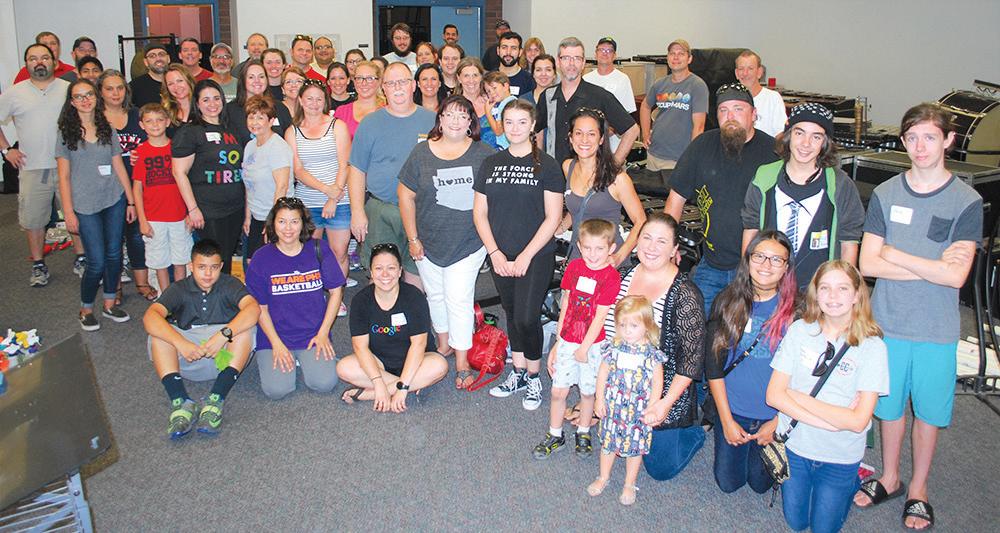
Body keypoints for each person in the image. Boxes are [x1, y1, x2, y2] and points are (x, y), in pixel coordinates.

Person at [855, 103, 982, 531]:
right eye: (912, 138)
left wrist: (895, 253)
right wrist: (933, 266)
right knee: (889, 409)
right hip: (887, 324)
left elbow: (956, 276)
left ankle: (919, 488)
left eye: (929, 137)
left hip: (936, 330)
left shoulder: (966, 201)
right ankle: (890, 477)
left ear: (948, 140)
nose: (920, 146)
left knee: (928, 413)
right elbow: (868, 265)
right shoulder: (886, 193)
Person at [766, 261, 889, 533]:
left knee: (824, 528)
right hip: (796, 446)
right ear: (816, 293)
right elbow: (774, 396)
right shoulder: (800, 330)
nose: (833, 296)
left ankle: (852, 482)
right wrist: (834, 421)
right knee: (796, 522)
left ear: (857, 294)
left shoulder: (873, 347)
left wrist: (797, 397)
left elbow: (858, 422)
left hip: (839, 455)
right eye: (825, 288)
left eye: (843, 288)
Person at [397, 94, 495, 389]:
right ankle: (444, 344)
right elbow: (405, 195)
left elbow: (497, 197)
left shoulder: (484, 154)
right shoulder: (421, 153)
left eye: (462, 115)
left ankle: (462, 362)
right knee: (436, 295)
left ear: (470, 122)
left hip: (468, 243)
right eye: (449, 114)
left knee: (458, 299)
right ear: (440, 119)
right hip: (427, 242)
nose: (455, 121)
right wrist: (413, 238)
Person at [473, 99, 564, 410]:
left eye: (522, 122)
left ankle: (534, 377)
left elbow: (553, 217)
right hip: (500, 254)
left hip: (535, 254)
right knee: (512, 314)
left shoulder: (547, 165)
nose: (514, 128)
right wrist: (494, 252)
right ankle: (519, 372)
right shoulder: (490, 163)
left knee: (527, 317)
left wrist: (525, 255)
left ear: (533, 125)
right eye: (509, 122)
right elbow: (479, 213)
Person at [605, 213, 707, 481]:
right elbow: (604, 331)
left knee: (660, 469)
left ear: (674, 250)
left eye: (661, 241)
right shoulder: (621, 277)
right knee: (613, 443)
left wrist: (663, 404)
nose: (651, 247)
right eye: (646, 238)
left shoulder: (685, 294)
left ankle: (695, 432)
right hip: (621, 384)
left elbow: (691, 361)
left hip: (662, 390)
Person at [664, 82, 779, 314]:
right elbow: (675, 199)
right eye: (723, 110)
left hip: (759, 269)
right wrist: (668, 244)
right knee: (691, 322)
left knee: (751, 329)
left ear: (754, 114)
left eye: (738, 109)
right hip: (712, 264)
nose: (730, 116)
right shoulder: (702, 146)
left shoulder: (774, 153)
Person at [705, 230, 796, 495]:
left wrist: (779, 422)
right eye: (759, 256)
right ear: (748, 260)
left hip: (773, 414)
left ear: (786, 267)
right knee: (728, 483)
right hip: (733, 410)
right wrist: (726, 420)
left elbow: (805, 377)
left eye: (776, 259)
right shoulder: (727, 300)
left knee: (760, 484)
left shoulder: (798, 312)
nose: (766, 265)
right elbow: (713, 367)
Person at [143, 239, 260, 438]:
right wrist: (181, 343)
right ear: (191, 266)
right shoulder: (179, 288)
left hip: (223, 359)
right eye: (201, 267)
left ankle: (216, 399)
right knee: (157, 336)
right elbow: (150, 316)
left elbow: (253, 309)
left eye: (213, 267)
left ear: (221, 266)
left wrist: (223, 335)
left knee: (247, 330)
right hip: (189, 356)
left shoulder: (230, 283)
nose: (208, 274)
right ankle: (180, 401)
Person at [742, 103, 865, 290]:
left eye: (816, 137)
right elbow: (751, 229)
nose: (806, 144)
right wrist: (747, 279)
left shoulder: (839, 185)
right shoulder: (764, 177)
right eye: (799, 133)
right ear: (789, 135)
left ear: (825, 142)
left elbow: (849, 241)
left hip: (817, 291)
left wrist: (844, 288)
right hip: (769, 288)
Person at [534, 219, 621, 459]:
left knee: (587, 392)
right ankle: (555, 434)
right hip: (569, 339)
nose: (593, 254)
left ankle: (583, 431)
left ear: (611, 248)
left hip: (593, 344)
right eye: (587, 248)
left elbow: (600, 317)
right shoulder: (574, 268)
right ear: (580, 247)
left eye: (600, 249)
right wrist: (558, 342)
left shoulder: (611, 277)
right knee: (558, 391)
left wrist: (584, 348)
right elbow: (567, 304)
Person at [56, 78, 138, 329]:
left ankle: (110, 304)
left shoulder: (106, 128)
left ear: (96, 97)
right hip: (84, 204)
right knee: (97, 261)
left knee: (114, 255)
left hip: (113, 199)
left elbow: (118, 166)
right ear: (72, 102)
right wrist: (68, 212)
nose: (85, 100)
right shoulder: (65, 133)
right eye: (78, 96)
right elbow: (63, 177)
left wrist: (131, 201)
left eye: (89, 95)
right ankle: (86, 308)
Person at [247, 197, 346, 399]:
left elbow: (336, 291)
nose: (288, 228)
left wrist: (323, 333)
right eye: (282, 221)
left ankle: (305, 359)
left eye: (294, 221)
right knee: (276, 390)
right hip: (275, 335)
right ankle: (288, 357)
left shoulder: (318, 249)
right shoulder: (261, 258)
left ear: (303, 224)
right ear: (273, 224)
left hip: (312, 333)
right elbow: (260, 307)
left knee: (324, 384)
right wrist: (276, 344)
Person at [347, 62, 435, 287]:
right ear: (383, 88)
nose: (397, 88)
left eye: (403, 82)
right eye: (391, 83)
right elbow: (356, 169)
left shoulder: (433, 121)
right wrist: (357, 211)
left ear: (413, 85)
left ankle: (413, 310)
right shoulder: (370, 123)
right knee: (381, 275)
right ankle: (380, 311)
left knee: (418, 271)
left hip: (421, 210)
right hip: (381, 210)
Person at [336, 243, 448, 410]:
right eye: (378, 268)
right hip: (379, 363)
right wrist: (378, 382)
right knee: (344, 368)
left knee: (439, 365)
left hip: (417, 362)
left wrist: (400, 389)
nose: (385, 274)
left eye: (391, 268)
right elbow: (360, 347)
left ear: (400, 271)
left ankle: (371, 393)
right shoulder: (361, 300)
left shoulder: (414, 297)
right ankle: (412, 385)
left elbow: (418, 345)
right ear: (371, 272)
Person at [0, 43, 73, 287]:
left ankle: (82, 258)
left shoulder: (67, 89)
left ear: (54, 61)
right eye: (33, 58)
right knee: (33, 220)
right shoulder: (15, 93)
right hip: (32, 167)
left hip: (68, 165)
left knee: (76, 214)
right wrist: (6, 150)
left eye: (44, 57)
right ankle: (38, 265)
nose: (39, 62)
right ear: (27, 64)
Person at [589, 295, 666, 506]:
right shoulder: (613, 348)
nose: (627, 331)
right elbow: (603, 374)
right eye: (622, 325)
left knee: (635, 448)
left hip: (638, 412)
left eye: (634, 325)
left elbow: (657, 382)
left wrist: (653, 407)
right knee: (608, 444)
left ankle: (629, 483)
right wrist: (599, 399)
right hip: (613, 408)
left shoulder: (652, 355)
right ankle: (603, 476)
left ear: (647, 325)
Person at [287, 79, 354, 314]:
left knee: (339, 252)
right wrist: (326, 191)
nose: (314, 103)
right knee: (308, 254)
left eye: (319, 99)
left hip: (340, 199)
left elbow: (345, 164)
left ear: (325, 101)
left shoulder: (337, 126)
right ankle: (314, 297)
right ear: (301, 100)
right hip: (308, 202)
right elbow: (298, 170)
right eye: (309, 98)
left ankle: (337, 297)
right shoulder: (292, 131)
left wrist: (333, 197)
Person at [171, 79, 245, 274]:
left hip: (235, 207)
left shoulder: (231, 129)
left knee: (226, 258)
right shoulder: (190, 132)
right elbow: (179, 172)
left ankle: (223, 293)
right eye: (206, 100)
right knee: (212, 260)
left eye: (216, 98)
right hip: (208, 209)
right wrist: (193, 209)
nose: (212, 104)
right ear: (197, 103)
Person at [558, 107, 646, 266]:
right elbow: (578, 207)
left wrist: (619, 257)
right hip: (578, 256)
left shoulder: (618, 179)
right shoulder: (568, 167)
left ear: (601, 139)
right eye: (578, 133)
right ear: (570, 138)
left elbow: (641, 221)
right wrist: (559, 229)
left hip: (608, 260)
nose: (584, 140)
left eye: (591, 134)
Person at [535, 37, 639, 165]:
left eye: (577, 58)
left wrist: (613, 167)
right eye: (566, 58)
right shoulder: (547, 96)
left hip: (589, 174)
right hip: (554, 172)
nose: (571, 63)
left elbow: (632, 130)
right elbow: (537, 132)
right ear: (558, 62)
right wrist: (539, 164)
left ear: (583, 62)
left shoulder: (599, 96)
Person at [100, 69, 156, 302]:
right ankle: (114, 287)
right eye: (109, 88)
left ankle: (142, 283)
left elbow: (153, 142)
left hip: (138, 184)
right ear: (100, 92)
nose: (116, 93)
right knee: (112, 239)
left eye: (120, 88)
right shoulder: (96, 119)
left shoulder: (136, 115)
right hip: (107, 186)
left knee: (136, 236)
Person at [133, 103, 191, 292]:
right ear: (142, 125)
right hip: (153, 218)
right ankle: (166, 297)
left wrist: (190, 212)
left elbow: (189, 182)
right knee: (160, 262)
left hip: (179, 216)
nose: (155, 125)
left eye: (159, 120)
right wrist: (142, 220)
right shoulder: (141, 152)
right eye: (149, 121)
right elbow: (137, 188)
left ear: (167, 122)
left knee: (181, 259)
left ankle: (181, 297)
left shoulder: (178, 148)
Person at [640, 39, 709, 174]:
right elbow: (645, 106)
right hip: (654, 154)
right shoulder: (660, 84)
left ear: (689, 59)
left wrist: (691, 156)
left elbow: (699, 126)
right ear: (668, 58)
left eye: (681, 54)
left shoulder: (697, 85)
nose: (676, 57)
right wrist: (645, 133)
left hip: (679, 159)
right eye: (672, 53)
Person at [242, 95, 292, 261]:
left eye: (260, 118)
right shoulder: (250, 146)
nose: (255, 122)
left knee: (270, 264)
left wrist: (273, 222)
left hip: (274, 216)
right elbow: (249, 185)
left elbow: (282, 187)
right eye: (251, 117)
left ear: (271, 121)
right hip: (256, 216)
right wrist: (248, 216)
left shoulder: (277, 147)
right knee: (253, 262)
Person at [583, 37, 636, 152]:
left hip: (613, 146)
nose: (605, 53)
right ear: (595, 54)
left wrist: (608, 132)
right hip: (589, 143)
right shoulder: (586, 79)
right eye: (601, 50)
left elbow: (628, 114)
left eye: (609, 50)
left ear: (614, 55)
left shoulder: (622, 79)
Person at [221, 60, 293, 146]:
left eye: (261, 77)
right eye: (251, 77)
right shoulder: (230, 110)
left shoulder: (280, 108)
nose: (257, 81)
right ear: (243, 80)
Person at [735, 49, 787, 138]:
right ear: (736, 73)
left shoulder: (773, 98)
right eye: (741, 69)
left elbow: (780, 133)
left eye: (750, 68)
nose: (745, 73)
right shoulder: (730, 100)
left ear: (759, 72)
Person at [333, 60, 384, 139]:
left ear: (379, 81)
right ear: (354, 81)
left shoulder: (387, 112)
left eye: (370, 78)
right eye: (359, 78)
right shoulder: (342, 112)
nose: (364, 83)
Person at [454, 58, 495, 148]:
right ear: (459, 78)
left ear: (481, 77)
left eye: (475, 75)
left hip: (495, 154)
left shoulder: (493, 102)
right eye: (466, 76)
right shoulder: (452, 107)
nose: (471, 80)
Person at [483, 71, 517, 150]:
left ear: (505, 86)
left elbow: (498, 131)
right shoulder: (510, 101)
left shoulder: (506, 105)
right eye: (488, 91)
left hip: (508, 148)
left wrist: (487, 112)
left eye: (494, 88)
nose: (492, 93)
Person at [131, 43, 171, 108]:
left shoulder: (178, 82)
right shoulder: (135, 86)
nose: (158, 59)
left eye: (161, 54)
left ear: (168, 58)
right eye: (152, 56)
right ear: (145, 62)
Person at [495, 31, 534, 97]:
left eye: (513, 48)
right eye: (504, 47)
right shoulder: (489, 78)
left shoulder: (529, 80)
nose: (508, 52)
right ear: (498, 51)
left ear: (520, 52)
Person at [161, 64, 195, 129]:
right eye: (171, 84)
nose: (176, 87)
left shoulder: (203, 107)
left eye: (179, 81)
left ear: (189, 81)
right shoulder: (164, 113)